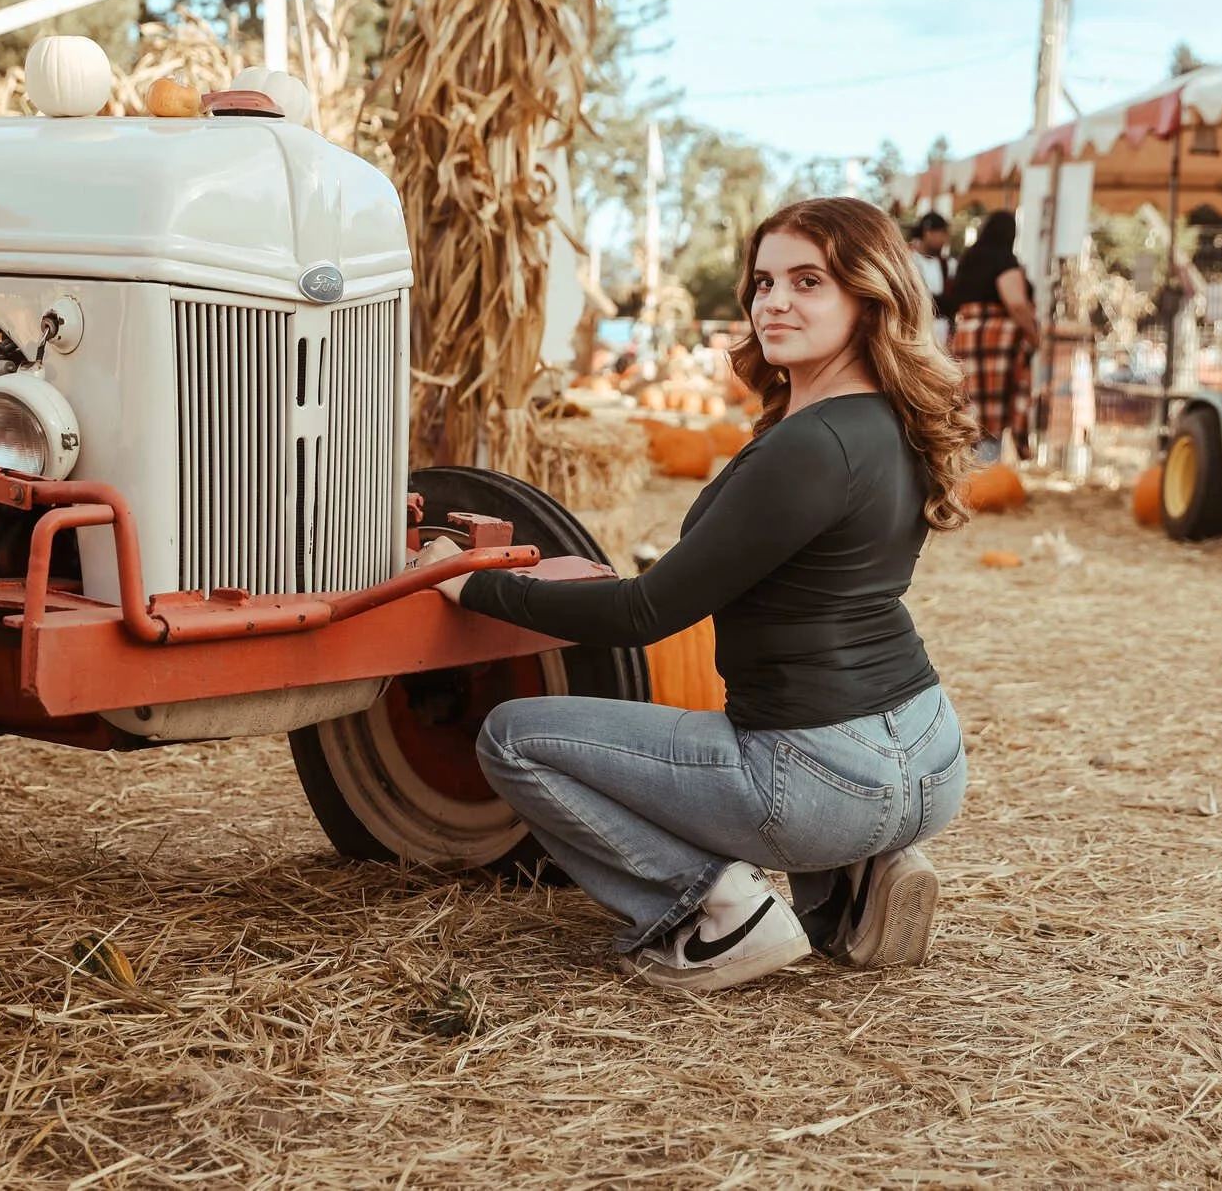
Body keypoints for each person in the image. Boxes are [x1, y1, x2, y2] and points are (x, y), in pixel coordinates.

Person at [416, 196, 977, 993]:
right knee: (765, 733)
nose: (774, 302)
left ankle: (721, 911)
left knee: (513, 736)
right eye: (763, 282)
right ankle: (855, 881)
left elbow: (643, 615)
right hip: (931, 754)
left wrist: (476, 584)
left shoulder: (808, 447)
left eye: (808, 281)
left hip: (821, 779)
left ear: (868, 293)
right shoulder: (897, 421)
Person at [947, 209, 1041, 462]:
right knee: (993, 413)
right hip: (996, 339)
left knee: (969, 405)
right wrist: (1034, 336)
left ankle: (965, 471)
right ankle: (987, 470)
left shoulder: (968, 258)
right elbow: (1016, 302)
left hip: (966, 335)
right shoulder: (1003, 260)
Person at [910, 212, 957, 346]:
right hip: (917, 331)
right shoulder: (910, 261)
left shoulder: (948, 265)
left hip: (942, 331)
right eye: (941, 233)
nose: (944, 239)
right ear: (928, 233)